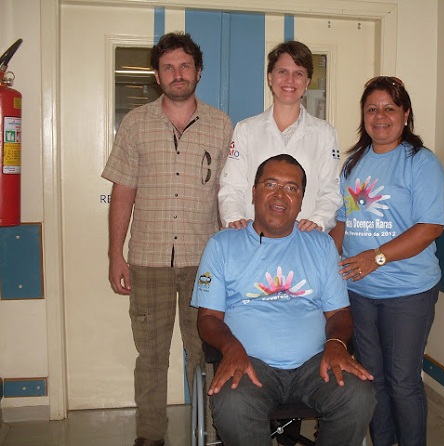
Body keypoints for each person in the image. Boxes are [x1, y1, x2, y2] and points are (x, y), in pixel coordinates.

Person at [102, 32, 233, 446]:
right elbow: (123, 192)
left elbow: (228, 194)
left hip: (204, 263)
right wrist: (114, 255)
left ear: (198, 72)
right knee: (152, 358)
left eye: (185, 66)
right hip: (148, 261)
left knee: (205, 355)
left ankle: (212, 433)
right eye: (168, 67)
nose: (178, 74)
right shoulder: (135, 123)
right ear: (157, 76)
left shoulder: (222, 124)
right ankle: (150, 436)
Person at [192, 154, 376, 446]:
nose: (280, 195)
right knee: (233, 405)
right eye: (271, 184)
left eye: (292, 188)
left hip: (315, 365)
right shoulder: (223, 245)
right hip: (250, 363)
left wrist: (337, 344)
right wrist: (231, 348)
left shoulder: (321, 245)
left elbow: (340, 314)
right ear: (254, 192)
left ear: (302, 199)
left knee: (358, 394)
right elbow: (208, 319)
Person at [329, 76, 444, 446]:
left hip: (408, 292)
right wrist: (321, 261)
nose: (380, 116)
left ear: (405, 114)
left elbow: (430, 227)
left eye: (389, 108)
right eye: (372, 109)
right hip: (359, 292)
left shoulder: (421, 163)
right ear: (363, 115)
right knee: (372, 379)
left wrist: (376, 257)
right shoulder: (353, 165)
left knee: (402, 380)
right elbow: (343, 224)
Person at [218, 40, 342, 232]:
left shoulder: (324, 133)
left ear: (307, 82)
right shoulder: (246, 129)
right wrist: (234, 219)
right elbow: (232, 186)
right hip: (253, 238)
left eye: (298, 74)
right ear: (270, 77)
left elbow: (330, 191)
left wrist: (318, 221)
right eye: (282, 72)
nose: (290, 80)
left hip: (303, 239)